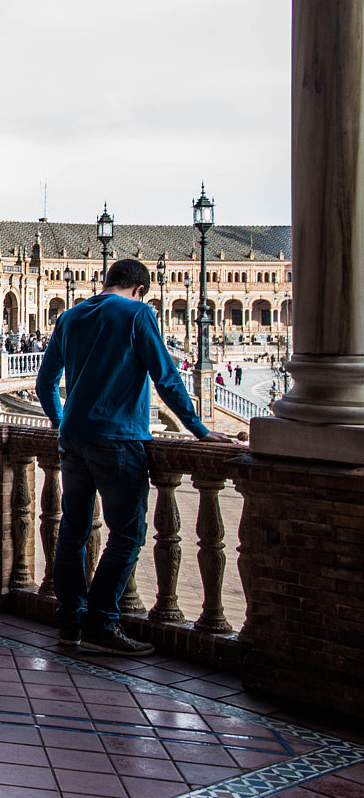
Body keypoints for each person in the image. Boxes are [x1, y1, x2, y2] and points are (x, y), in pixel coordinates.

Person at [36, 258, 236, 656]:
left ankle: (70, 622)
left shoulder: (72, 316)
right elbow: (165, 376)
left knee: (73, 530)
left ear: (107, 281)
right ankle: (100, 622)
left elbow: (45, 383)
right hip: (118, 438)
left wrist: (64, 422)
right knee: (127, 534)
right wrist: (198, 429)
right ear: (140, 288)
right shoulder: (139, 313)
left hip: (73, 440)